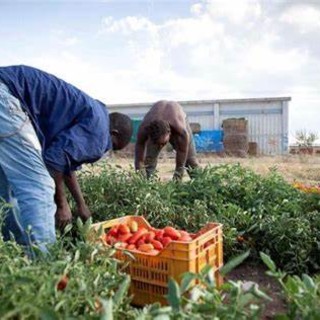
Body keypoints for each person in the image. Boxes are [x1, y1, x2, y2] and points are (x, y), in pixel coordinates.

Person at [0, 65, 133, 252]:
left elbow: (66, 162)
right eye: (112, 147)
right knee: (40, 187)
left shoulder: (93, 115)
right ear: (114, 134)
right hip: (6, 97)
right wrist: (61, 205)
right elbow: (54, 160)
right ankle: (45, 267)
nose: (105, 151)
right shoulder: (100, 133)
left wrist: (81, 205)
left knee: (7, 191)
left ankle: (14, 252)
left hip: (6, 90)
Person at [135, 100, 199, 180]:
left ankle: (200, 185)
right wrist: (140, 177)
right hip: (155, 122)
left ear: (169, 132)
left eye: (163, 143)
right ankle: (148, 186)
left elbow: (180, 164)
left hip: (177, 117)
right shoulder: (145, 129)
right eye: (158, 143)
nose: (161, 146)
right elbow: (139, 160)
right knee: (149, 161)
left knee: (191, 161)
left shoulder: (181, 130)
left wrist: (177, 179)